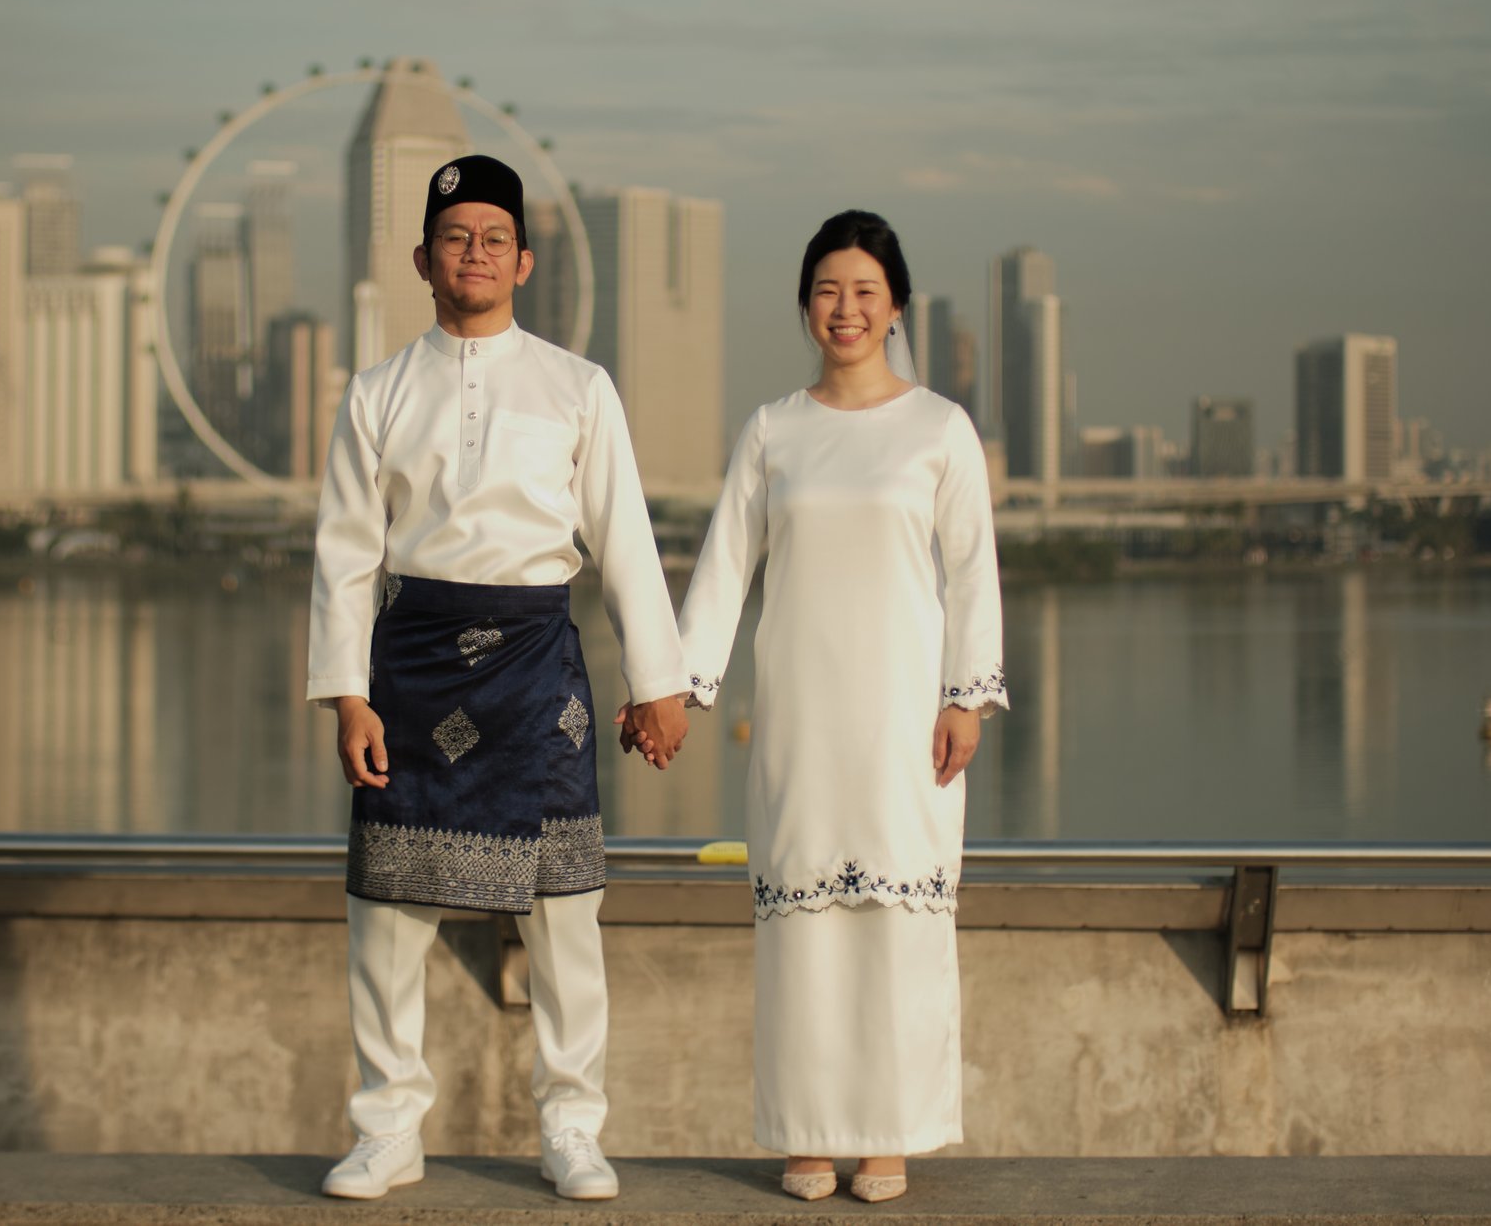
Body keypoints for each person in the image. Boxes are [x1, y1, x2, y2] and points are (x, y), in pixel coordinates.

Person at [308, 153, 693, 1203]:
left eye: (492, 238)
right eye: (453, 237)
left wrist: (661, 680)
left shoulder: (578, 384)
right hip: (412, 665)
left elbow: (622, 538)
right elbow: (345, 551)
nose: (472, 253)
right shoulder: (377, 389)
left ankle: (572, 1125)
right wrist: (348, 693)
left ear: (522, 259)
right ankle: (386, 1127)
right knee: (386, 911)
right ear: (422, 258)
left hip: (537, 667)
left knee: (566, 908)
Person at [651, 208, 1005, 1204]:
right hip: (800, 711)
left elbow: (973, 571)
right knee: (800, 922)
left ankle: (887, 1132)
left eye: (863, 291)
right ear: (806, 304)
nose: (843, 309)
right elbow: (724, 566)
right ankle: (807, 1133)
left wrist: (965, 694)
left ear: (894, 306)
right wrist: (681, 687)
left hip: (906, 713)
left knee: (898, 921)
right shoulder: (774, 429)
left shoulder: (939, 426)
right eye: (826, 290)